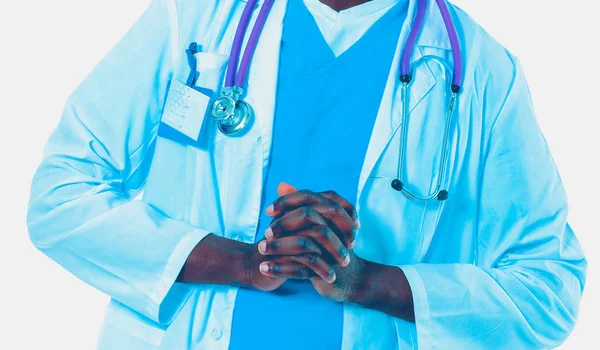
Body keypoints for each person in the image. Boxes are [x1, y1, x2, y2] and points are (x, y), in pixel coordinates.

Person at [26, 0, 587, 349]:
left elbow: (547, 287)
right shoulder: (196, 19)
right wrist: (245, 263)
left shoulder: (482, 71)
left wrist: (366, 281)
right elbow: (61, 195)